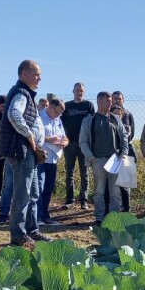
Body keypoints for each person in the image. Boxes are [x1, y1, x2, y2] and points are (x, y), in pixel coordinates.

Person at [0, 60, 52, 246]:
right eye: (36, 73)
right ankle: (18, 235)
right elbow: (14, 114)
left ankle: (32, 230)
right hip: (21, 151)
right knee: (23, 194)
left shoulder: (28, 95)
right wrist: (30, 136)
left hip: (30, 153)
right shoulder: (21, 93)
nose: (40, 77)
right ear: (24, 74)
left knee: (33, 193)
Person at [80, 92, 129, 223]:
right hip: (98, 160)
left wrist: (123, 155)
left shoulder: (115, 119)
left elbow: (124, 137)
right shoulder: (89, 120)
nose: (110, 103)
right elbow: (83, 142)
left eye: (110, 101)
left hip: (115, 160)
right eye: (107, 101)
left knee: (115, 193)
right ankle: (99, 218)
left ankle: (114, 220)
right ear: (99, 102)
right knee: (99, 192)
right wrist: (91, 157)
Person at [61, 82, 95, 210]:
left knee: (84, 173)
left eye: (81, 91)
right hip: (69, 144)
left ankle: (83, 200)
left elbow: (93, 123)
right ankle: (69, 200)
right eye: (77, 90)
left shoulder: (88, 106)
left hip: (84, 145)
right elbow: (61, 124)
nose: (79, 92)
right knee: (69, 172)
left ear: (84, 92)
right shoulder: (67, 106)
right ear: (73, 91)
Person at [38, 98, 68, 225]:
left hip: (53, 158)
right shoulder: (38, 117)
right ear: (49, 107)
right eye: (56, 112)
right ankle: (36, 217)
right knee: (39, 187)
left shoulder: (58, 119)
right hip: (40, 158)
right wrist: (49, 139)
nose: (58, 115)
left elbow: (64, 136)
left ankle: (45, 215)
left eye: (60, 113)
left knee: (48, 188)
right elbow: (34, 136)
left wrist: (65, 142)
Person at [108, 91, 136, 212]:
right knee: (111, 183)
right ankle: (111, 210)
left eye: (119, 98)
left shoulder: (128, 115)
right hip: (111, 153)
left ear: (123, 100)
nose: (117, 100)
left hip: (127, 152)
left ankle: (127, 209)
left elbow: (132, 133)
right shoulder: (107, 115)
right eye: (115, 98)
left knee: (126, 184)